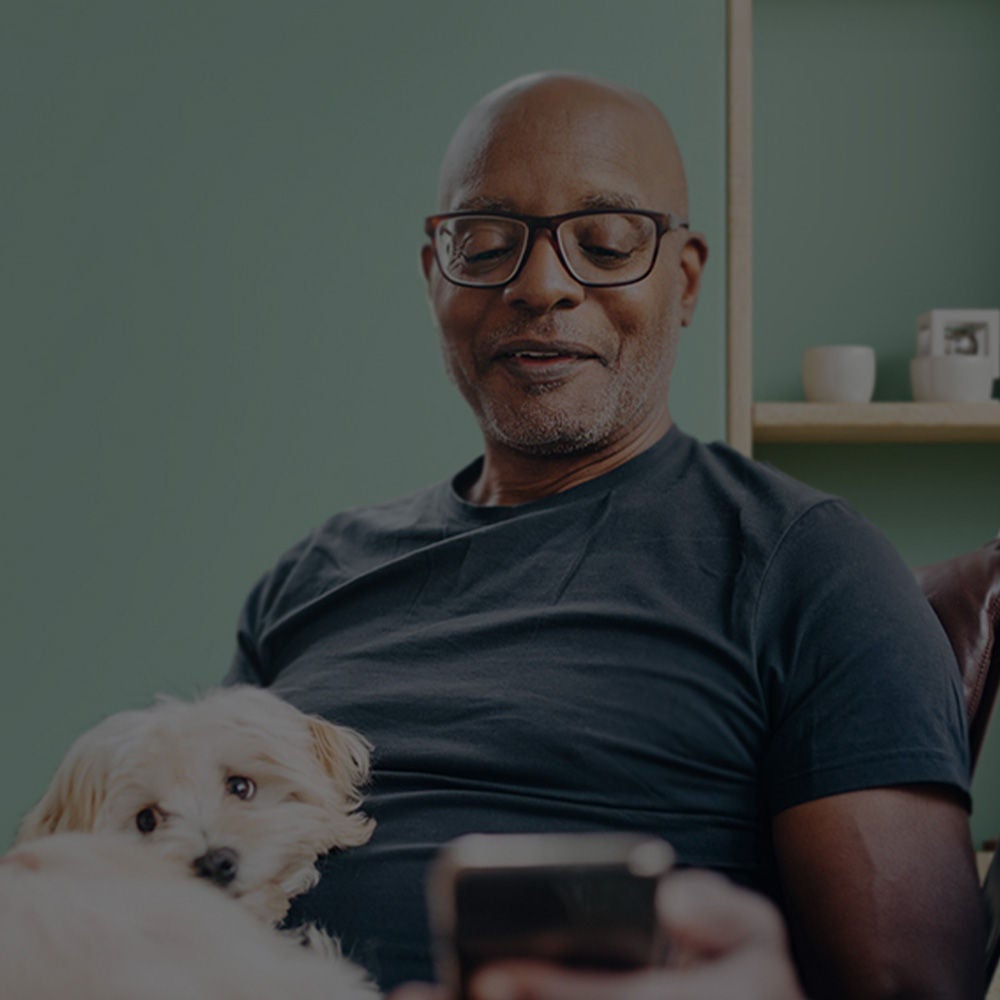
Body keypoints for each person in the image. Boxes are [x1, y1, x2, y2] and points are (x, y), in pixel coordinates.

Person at [226, 72, 984, 998]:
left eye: (606, 242)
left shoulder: (810, 568)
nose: (542, 285)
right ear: (436, 277)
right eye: (488, 242)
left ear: (686, 279)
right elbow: (166, 861)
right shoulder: (309, 582)